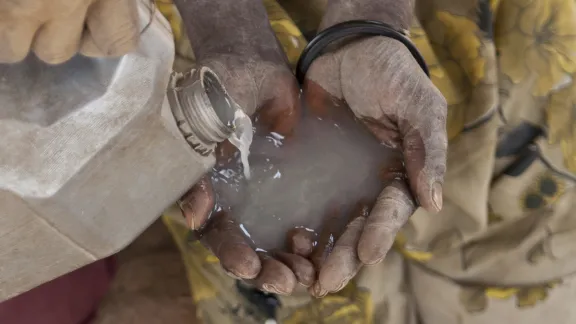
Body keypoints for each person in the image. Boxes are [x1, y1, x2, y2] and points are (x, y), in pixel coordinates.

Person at [1, 1, 575, 324]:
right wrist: (230, 33)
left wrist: (367, 18)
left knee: (527, 271)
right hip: (189, 64)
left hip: (495, 58)